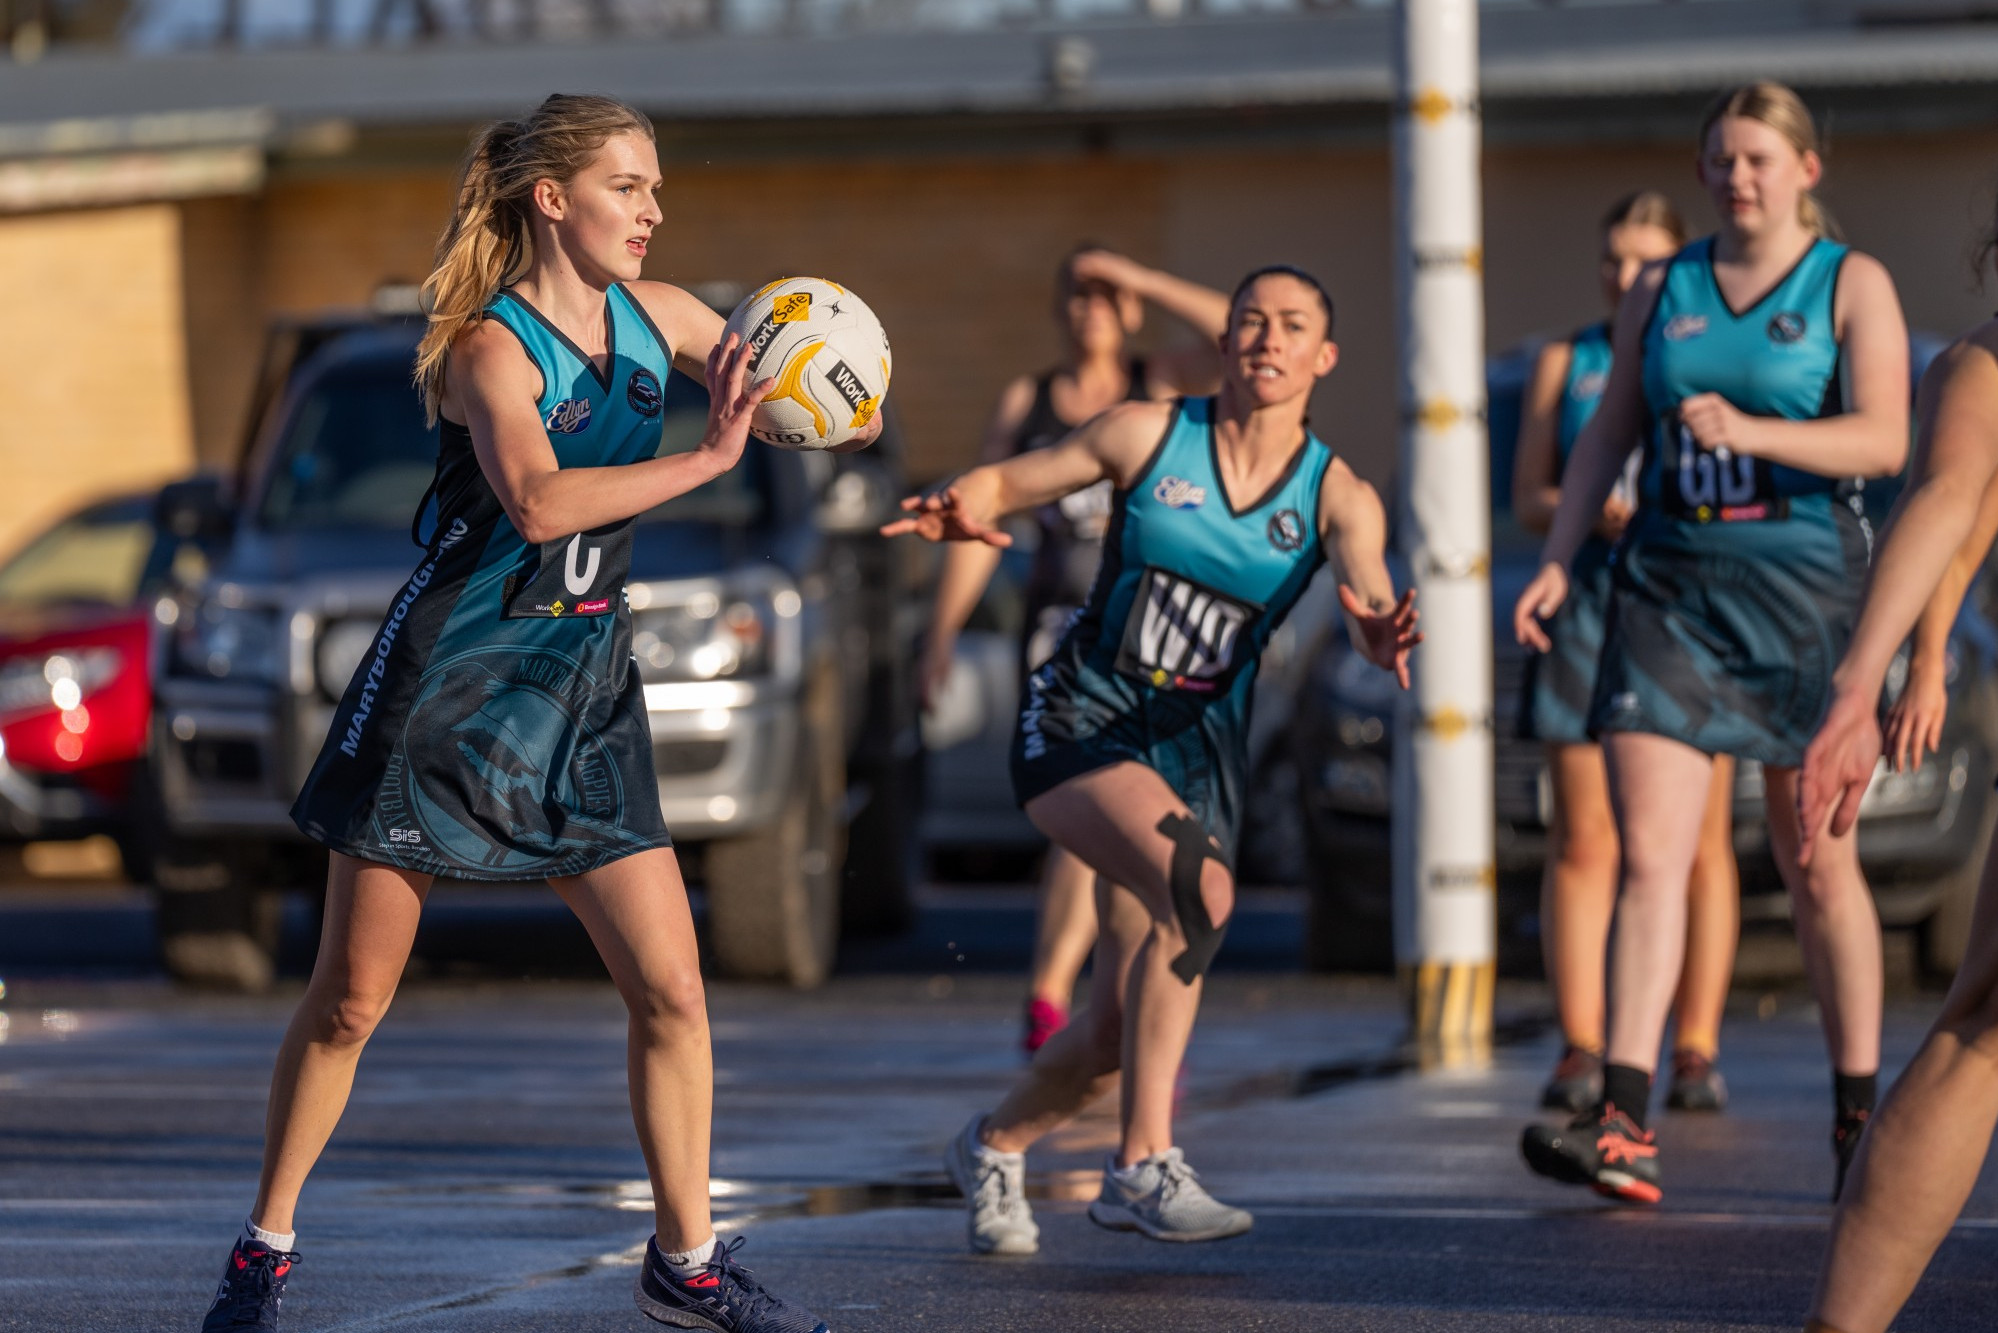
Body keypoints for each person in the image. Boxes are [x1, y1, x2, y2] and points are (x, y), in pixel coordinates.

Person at [196, 94, 867, 1333]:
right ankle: (262, 1245)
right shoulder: (486, 349)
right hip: (446, 692)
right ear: (552, 198)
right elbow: (543, 503)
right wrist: (713, 460)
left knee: (673, 990)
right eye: (629, 186)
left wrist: (838, 390)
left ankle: (687, 1260)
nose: (655, 210)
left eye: (659, 187)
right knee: (350, 996)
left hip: (584, 692)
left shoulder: (659, 318)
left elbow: (800, 395)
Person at [886, 265, 1420, 1253]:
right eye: (1249, 321)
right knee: (1201, 891)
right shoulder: (1146, 433)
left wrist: (1380, 635)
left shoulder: (1337, 495)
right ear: (1222, 342)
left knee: (1108, 1031)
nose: (1265, 338)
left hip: (1191, 761)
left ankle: (992, 1143)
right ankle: (1141, 1162)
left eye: (1290, 325)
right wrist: (965, 500)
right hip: (1081, 722)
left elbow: (1368, 601)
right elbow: (1016, 477)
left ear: (1322, 357)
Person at [1511, 81, 1910, 1205]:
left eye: (1756, 158)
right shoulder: (1662, 287)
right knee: (1650, 855)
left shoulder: (1850, 283)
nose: (1736, 177)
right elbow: (1608, 429)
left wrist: (1755, 429)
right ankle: (1624, 1121)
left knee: (1815, 863)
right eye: (1720, 159)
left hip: (1802, 605)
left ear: (1803, 171)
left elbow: (1883, 440)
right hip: (1669, 597)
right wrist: (1555, 554)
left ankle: (1855, 1117)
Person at [918, 247, 1229, 1054]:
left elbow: (1243, 342)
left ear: (1127, 308)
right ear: (1058, 310)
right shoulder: (1032, 400)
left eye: (1106, 295)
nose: (1092, 308)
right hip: (1064, 634)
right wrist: (941, 633)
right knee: (1087, 814)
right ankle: (1053, 999)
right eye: (1078, 295)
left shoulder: (1154, 384)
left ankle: (1111, 1006)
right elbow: (984, 516)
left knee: (1145, 826)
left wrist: (1148, 279)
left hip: (1155, 634)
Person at [1795, 207, 1998, 1333]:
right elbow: (1952, 509)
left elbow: (1948, 500)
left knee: (1978, 1028)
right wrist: (1886, 671)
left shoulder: (1979, 360)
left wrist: (1857, 683)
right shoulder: (1980, 363)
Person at [1512, 190, 1741, 1115]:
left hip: (1684, 607)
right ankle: (1582, 1041)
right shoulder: (1569, 361)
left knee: (1696, 841)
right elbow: (1531, 495)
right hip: (1589, 606)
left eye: (1644, 260)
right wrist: (1580, 508)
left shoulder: (1706, 350)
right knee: (1587, 837)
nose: (1623, 275)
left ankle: (1693, 1044)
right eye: (1612, 258)